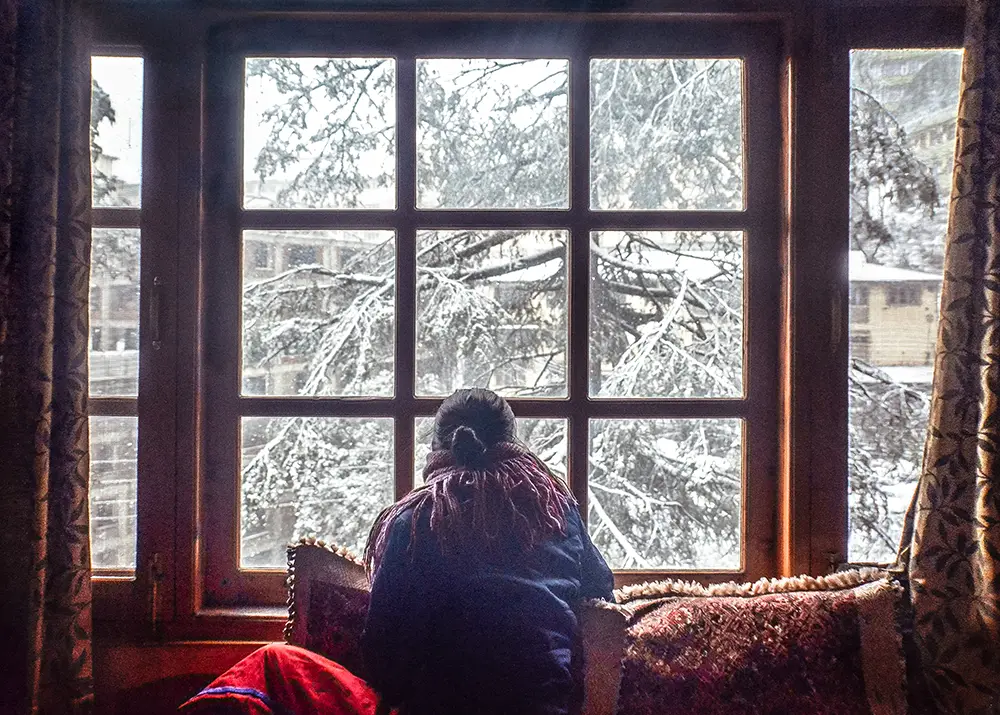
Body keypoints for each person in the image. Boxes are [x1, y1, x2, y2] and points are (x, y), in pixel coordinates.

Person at [361, 388, 614, 715]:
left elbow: (383, 663)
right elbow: (602, 597)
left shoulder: (415, 521)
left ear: (437, 447)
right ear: (514, 444)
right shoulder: (556, 512)